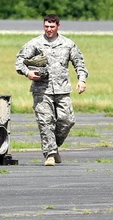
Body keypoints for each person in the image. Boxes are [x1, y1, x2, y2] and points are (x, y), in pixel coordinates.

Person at [15, 14, 88, 166]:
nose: (49, 29)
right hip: (42, 90)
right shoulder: (36, 43)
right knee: (45, 121)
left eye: (52, 26)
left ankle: (54, 145)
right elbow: (20, 61)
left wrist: (81, 80)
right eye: (46, 26)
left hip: (62, 89)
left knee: (67, 120)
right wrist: (28, 73)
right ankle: (50, 154)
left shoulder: (67, 44)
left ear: (58, 26)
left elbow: (79, 62)